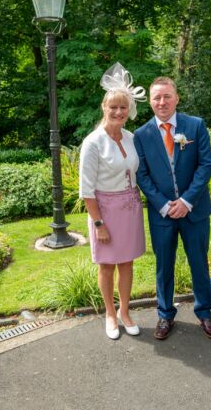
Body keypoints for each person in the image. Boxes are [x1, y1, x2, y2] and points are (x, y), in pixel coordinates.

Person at [134, 77, 211, 340]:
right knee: (164, 266)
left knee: (199, 263)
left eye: (166, 96)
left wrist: (186, 201)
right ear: (150, 101)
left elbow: (206, 165)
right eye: (156, 97)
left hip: (194, 211)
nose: (162, 102)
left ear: (176, 97)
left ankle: (205, 313)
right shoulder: (141, 134)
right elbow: (142, 175)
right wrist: (163, 205)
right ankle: (165, 314)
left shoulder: (195, 126)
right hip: (162, 215)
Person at [79, 62, 146, 340]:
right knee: (107, 265)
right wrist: (98, 224)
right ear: (104, 108)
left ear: (129, 110)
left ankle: (125, 311)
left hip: (130, 208)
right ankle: (109, 313)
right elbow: (86, 190)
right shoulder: (93, 142)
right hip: (104, 211)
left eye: (123, 107)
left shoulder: (131, 138)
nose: (118, 112)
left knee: (127, 263)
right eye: (113, 107)